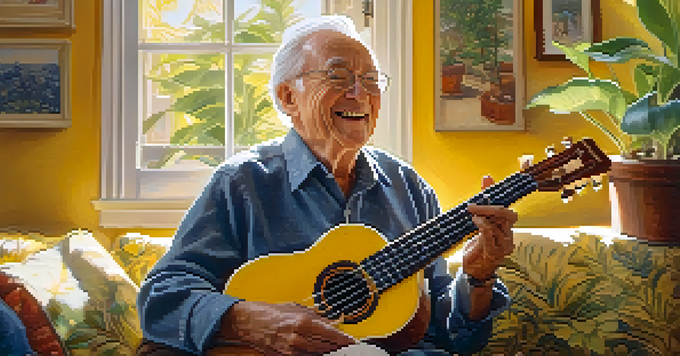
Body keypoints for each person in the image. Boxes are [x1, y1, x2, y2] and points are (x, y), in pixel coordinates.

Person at [137, 16, 518, 356]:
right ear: (289, 97)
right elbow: (162, 296)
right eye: (338, 77)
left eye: (371, 80)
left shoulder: (410, 188)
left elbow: (457, 340)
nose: (359, 93)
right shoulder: (242, 183)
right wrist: (251, 321)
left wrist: (478, 277)